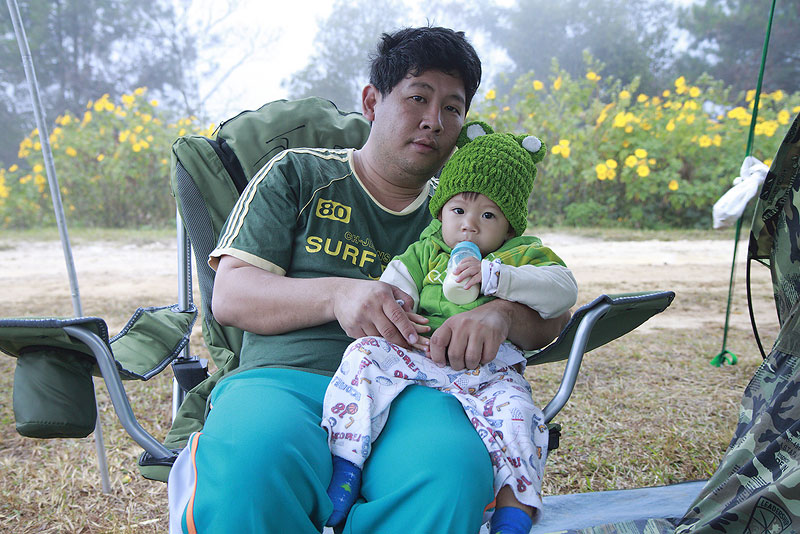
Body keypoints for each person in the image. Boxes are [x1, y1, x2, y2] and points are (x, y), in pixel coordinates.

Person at [168, 26, 569, 534]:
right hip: (287, 379)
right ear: (372, 102)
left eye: (452, 108)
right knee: (251, 470)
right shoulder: (298, 174)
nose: (434, 120)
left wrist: (501, 314)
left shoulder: (465, 214)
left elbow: (553, 314)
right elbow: (230, 295)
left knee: (451, 475)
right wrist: (338, 294)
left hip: (418, 389)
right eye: (418, 97)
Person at [322, 121, 578, 534]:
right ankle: (346, 464)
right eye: (459, 210)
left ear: (510, 225)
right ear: (441, 211)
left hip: (491, 370)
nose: (469, 226)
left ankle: (516, 509)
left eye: (488, 215)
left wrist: (497, 277)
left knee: (519, 416)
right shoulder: (428, 250)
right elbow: (392, 287)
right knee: (362, 355)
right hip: (422, 357)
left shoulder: (521, 254)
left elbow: (563, 290)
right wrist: (399, 309)